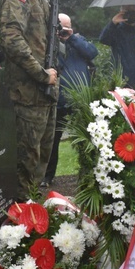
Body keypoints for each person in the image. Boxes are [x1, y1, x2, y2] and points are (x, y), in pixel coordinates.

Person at [0, 0, 59, 200]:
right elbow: (11, 39)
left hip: (44, 95)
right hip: (27, 96)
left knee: (39, 166)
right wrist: (41, 74)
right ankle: (20, 227)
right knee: (24, 169)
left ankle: (35, 227)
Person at [41, 13, 98, 187]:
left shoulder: (79, 41)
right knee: (52, 140)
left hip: (79, 99)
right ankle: (47, 177)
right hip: (59, 100)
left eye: (66, 27)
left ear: (71, 27)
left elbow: (92, 52)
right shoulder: (51, 45)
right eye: (60, 27)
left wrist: (71, 38)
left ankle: (88, 175)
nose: (62, 31)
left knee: (85, 139)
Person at [99, 4, 135, 105]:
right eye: (127, 10)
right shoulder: (116, 31)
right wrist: (113, 23)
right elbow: (103, 39)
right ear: (121, 11)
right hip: (123, 85)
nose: (131, 14)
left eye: (133, 10)